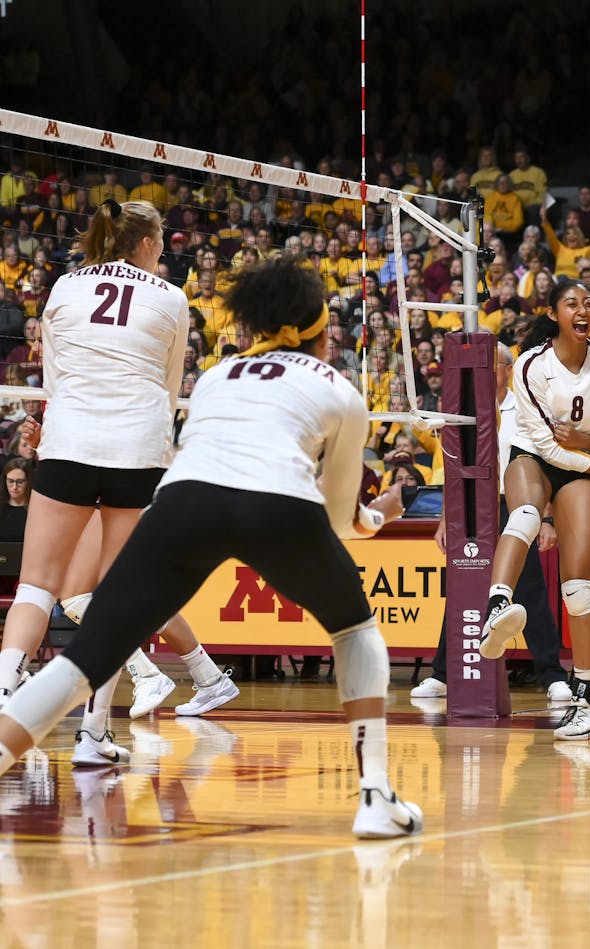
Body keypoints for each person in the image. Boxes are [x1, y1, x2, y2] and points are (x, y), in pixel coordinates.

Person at [0, 258, 422, 837]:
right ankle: (375, 796)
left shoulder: (220, 376)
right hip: (278, 504)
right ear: (322, 331)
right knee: (355, 630)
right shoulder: (338, 390)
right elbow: (338, 518)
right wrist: (378, 517)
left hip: (184, 504)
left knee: (85, 659)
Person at [0, 199, 190, 768]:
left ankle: (4, 689)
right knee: (117, 596)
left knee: (36, 585)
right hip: (136, 448)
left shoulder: (64, 287)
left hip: (72, 440)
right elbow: (170, 381)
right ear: (150, 243)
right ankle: (94, 734)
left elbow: (54, 374)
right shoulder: (172, 297)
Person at [476, 277, 590, 741]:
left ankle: (585, 699)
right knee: (527, 514)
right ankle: (497, 607)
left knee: (579, 588)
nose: (582, 308)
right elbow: (552, 449)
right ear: (553, 314)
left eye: (589, 302)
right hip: (532, 456)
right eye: (571, 302)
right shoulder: (531, 363)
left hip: (581, 466)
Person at [411, 341, 571, 706]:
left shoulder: (527, 409)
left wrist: (545, 516)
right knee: (462, 588)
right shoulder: (464, 412)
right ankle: (442, 674)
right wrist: (445, 519)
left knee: (528, 587)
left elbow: (544, 465)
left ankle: (552, 675)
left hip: (515, 505)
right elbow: (454, 469)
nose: (481, 373)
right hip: (470, 507)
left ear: (507, 370)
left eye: (489, 365)